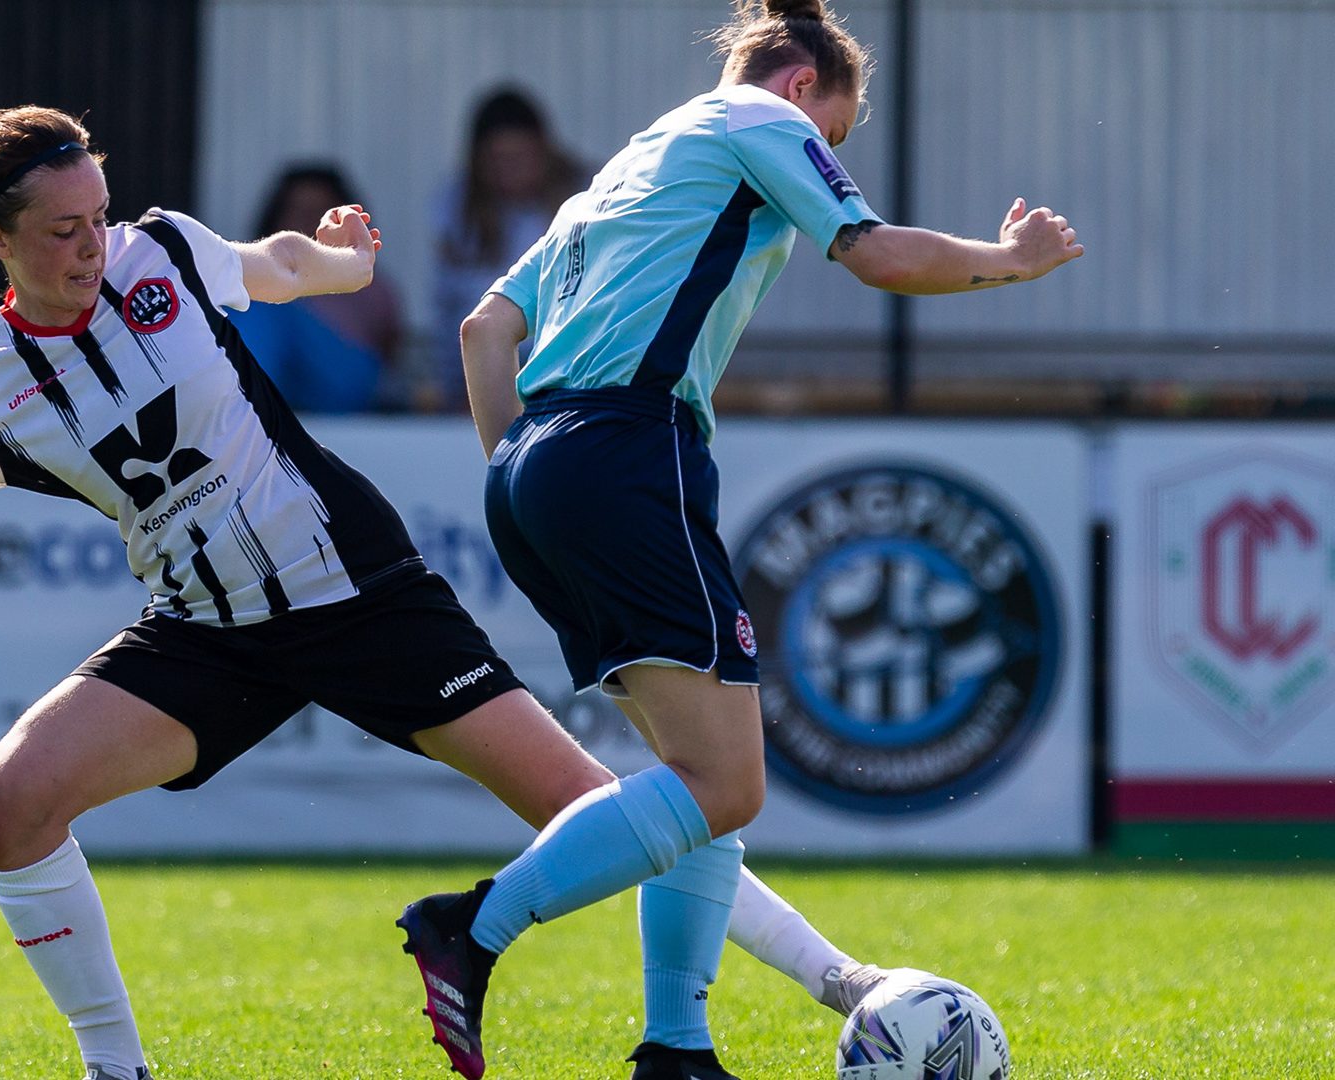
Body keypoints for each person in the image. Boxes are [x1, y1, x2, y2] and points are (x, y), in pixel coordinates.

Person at [0, 105, 905, 1080]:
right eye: (62, 231)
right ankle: (117, 1072)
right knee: (10, 799)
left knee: (597, 810)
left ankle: (844, 986)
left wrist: (340, 255)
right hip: (207, 635)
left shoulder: (158, 255)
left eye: (98, 217)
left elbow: (289, 272)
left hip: (363, 593)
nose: (93, 245)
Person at [399, 1, 1084, 1078]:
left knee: (694, 778)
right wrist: (1013, 258)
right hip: (631, 449)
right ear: (803, 84)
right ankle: (473, 929)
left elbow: (485, 328)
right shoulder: (757, 121)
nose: (825, 159)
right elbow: (878, 256)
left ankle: (677, 1047)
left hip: (533, 464)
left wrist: (523, 473)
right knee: (725, 784)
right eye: (836, 138)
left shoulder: (620, 172)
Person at [428, 87, 584, 410]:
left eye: (520, 158)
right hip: (481, 374)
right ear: (477, 160)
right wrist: (452, 388)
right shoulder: (456, 207)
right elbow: (448, 306)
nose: (509, 170)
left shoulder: (586, 197)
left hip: (569, 377)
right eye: (497, 160)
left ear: (545, 152)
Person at [229, 164, 407, 412]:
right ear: (275, 219)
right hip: (277, 387)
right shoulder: (250, 279)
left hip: (346, 394)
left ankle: (235, 413)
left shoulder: (374, 284)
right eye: (297, 210)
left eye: (319, 211)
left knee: (260, 307)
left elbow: (389, 355)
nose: (308, 221)